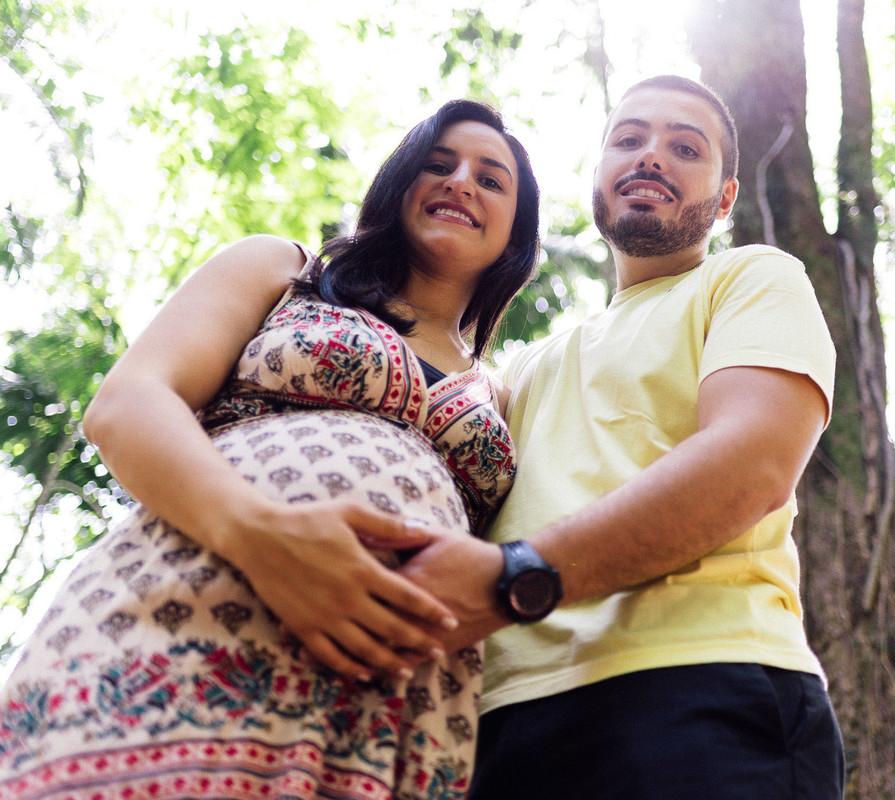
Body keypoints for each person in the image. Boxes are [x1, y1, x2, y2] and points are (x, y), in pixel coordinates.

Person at [0, 98, 539, 800]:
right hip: (186, 605)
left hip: (389, 699)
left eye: (491, 179)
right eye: (438, 164)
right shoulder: (285, 272)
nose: (461, 180)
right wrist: (261, 535)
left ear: (516, 234)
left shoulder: (498, 394)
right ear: (400, 183)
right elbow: (128, 405)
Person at [393, 75, 845, 799]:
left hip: (699, 686)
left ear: (724, 197)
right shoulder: (522, 369)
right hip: (500, 729)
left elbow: (752, 465)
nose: (651, 156)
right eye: (629, 140)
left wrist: (514, 579)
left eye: (685, 147)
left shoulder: (749, 280)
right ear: (600, 174)